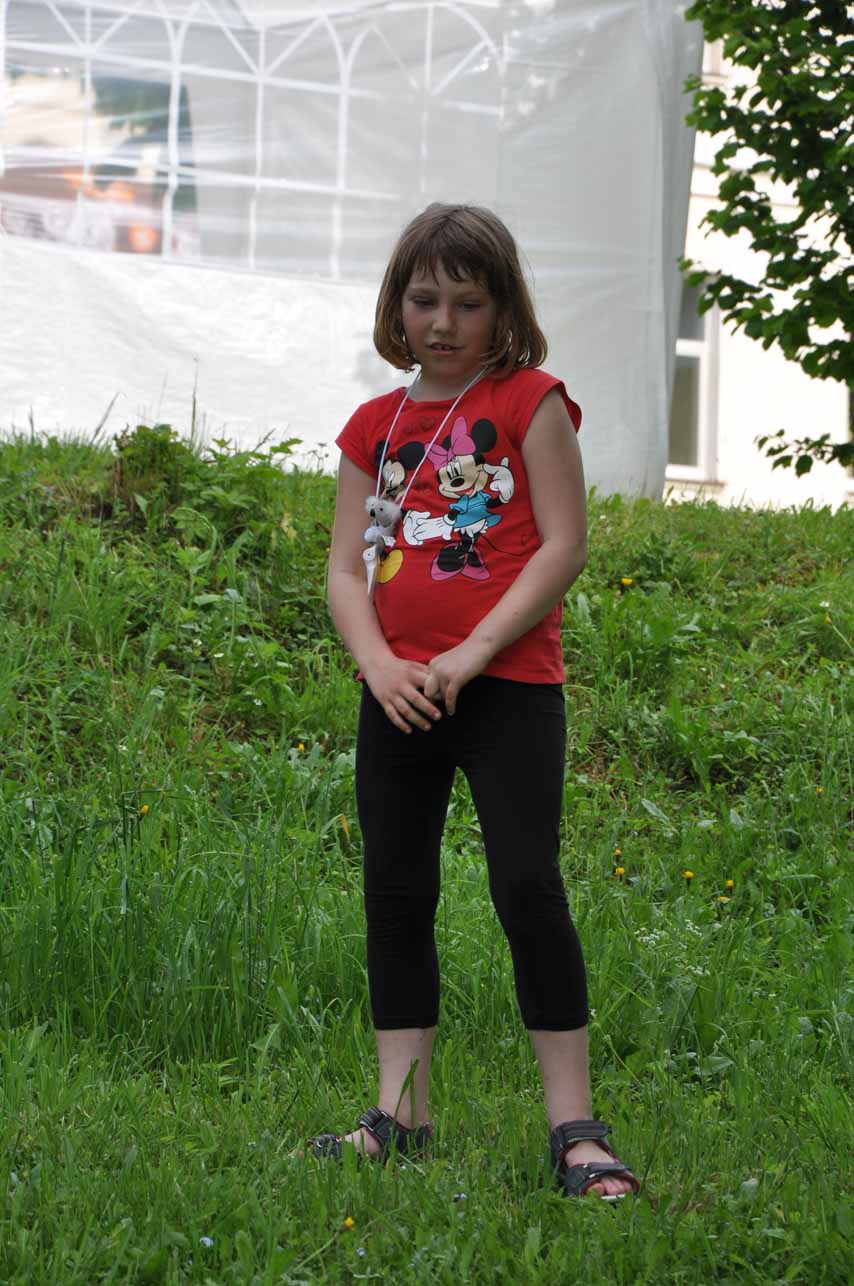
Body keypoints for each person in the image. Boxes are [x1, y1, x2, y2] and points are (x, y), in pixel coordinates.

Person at [302, 203, 640, 1200]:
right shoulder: (374, 426)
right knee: (396, 891)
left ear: (503, 310)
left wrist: (473, 651)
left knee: (526, 887)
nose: (442, 322)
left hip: (508, 689)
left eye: (467, 301)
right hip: (398, 696)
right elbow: (342, 569)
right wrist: (379, 665)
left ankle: (575, 1129)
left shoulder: (530, 401)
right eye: (423, 300)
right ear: (395, 307)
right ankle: (399, 1115)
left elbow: (563, 544)